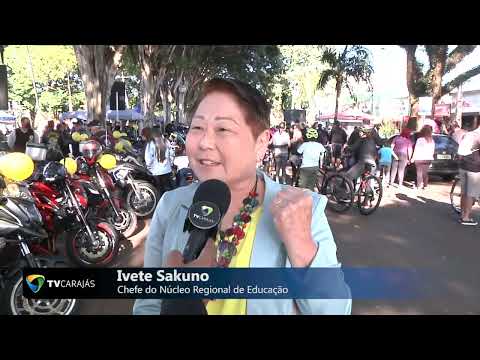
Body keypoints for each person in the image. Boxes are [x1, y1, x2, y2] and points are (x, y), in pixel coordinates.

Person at [133, 78, 351, 315]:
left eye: (223, 129)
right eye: (197, 127)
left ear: (260, 143)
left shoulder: (303, 210)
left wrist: (302, 248)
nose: (204, 142)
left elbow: (335, 310)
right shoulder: (170, 205)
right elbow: (148, 305)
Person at [457, 120, 480, 226]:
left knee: (464, 192)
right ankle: (466, 217)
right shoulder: (478, 136)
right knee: (471, 193)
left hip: (463, 166)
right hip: (474, 168)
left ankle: (462, 214)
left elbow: (460, 151)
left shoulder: (468, 134)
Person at [142, 127, 175, 195]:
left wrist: (148, 167)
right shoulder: (166, 141)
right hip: (167, 170)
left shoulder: (150, 143)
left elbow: (148, 159)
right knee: (167, 189)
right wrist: (171, 164)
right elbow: (171, 154)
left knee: (158, 190)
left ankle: (160, 203)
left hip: (155, 171)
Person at [411, 125, 435, 190]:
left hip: (419, 158)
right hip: (428, 158)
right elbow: (432, 151)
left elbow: (416, 149)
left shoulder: (420, 139)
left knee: (419, 172)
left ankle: (419, 185)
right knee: (425, 173)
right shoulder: (431, 140)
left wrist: (413, 158)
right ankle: (425, 185)